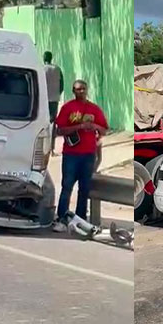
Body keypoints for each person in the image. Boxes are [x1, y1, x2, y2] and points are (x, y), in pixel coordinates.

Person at [53, 79, 108, 232]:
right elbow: (60, 130)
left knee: (84, 189)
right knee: (67, 187)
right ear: (73, 91)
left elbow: (104, 130)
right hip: (71, 154)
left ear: (87, 89)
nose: (81, 91)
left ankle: (80, 220)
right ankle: (62, 219)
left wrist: (94, 126)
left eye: (83, 88)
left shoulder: (94, 109)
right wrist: (79, 126)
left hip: (88, 155)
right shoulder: (67, 108)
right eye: (78, 89)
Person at [43, 51, 63, 122]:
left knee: (44, 118)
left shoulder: (42, 69)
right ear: (51, 58)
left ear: (43, 58)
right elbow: (61, 84)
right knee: (53, 118)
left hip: (43, 98)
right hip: (54, 98)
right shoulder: (57, 69)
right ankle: (52, 132)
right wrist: (58, 94)